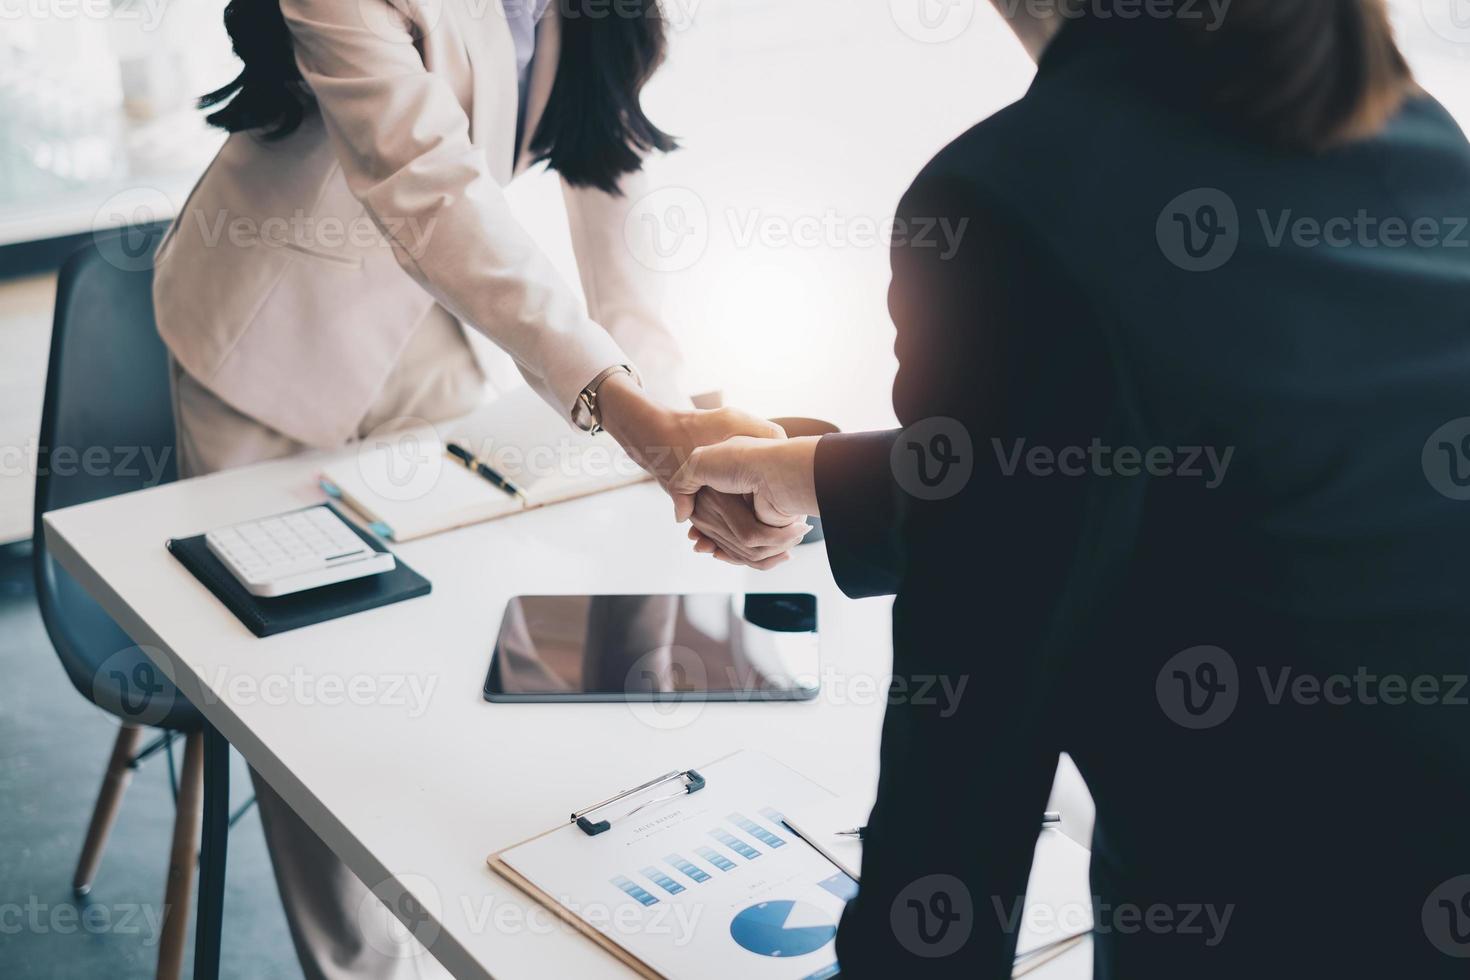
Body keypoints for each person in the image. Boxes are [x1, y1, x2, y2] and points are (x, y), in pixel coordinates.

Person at [672, 1, 1470, 975]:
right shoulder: (1410, 126)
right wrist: (814, 476)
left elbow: (967, 776)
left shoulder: (1012, 197)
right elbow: (1208, 459)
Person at [151, 1, 804, 976]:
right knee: (304, 690)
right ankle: (364, 966)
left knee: (478, 632)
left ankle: (507, 924)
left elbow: (607, 179)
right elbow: (430, 187)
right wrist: (632, 415)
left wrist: (675, 439)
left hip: (424, 337)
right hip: (265, 331)